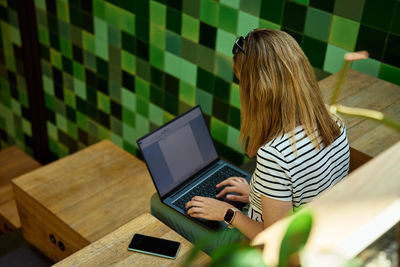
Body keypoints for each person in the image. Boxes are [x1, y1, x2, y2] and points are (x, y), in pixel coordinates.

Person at [185, 29, 350, 240]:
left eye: (242, 83)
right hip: (322, 235)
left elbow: (276, 241)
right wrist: (255, 194)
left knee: (160, 205)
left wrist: (227, 213)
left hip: (266, 251)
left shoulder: (275, 156)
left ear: (257, 92)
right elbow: (306, 191)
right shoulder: (333, 121)